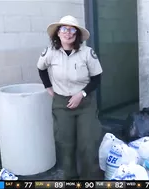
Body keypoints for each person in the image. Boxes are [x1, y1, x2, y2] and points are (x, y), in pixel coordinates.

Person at [36, 15, 103, 180]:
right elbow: (41, 68)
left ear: (77, 34)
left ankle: (90, 179)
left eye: (72, 29)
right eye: (64, 29)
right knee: (65, 144)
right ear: (58, 33)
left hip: (85, 103)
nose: (68, 33)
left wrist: (82, 94)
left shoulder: (87, 53)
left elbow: (97, 78)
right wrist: (48, 88)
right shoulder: (50, 53)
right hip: (61, 104)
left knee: (88, 143)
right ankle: (71, 179)